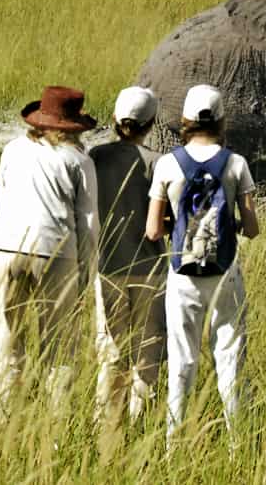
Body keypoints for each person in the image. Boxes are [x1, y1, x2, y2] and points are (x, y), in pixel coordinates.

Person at [145, 84, 260, 444]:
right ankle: (237, 444)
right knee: (229, 360)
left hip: (182, 274)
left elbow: (152, 230)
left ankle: (173, 445)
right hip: (225, 272)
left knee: (182, 363)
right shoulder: (236, 163)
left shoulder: (167, 163)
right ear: (222, 120)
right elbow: (253, 228)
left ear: (185, 120)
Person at [0, 86, 99, 420]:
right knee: (60, 347)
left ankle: (6, 421)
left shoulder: (12, 149)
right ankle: (56, 426)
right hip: (55, 251)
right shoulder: (79, 160)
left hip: (4, 247)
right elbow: (89, 223)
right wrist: (86, 271)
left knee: (6, 343)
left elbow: (0, 201)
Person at [88, 87, 167, 462]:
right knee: (147, 352)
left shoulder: (96, 157)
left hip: (106, 269)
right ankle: (142, 429)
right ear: (151, 123)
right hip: (149, 268)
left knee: (111, 353)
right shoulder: (158, 162)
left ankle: (107, 434)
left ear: (115, 118)